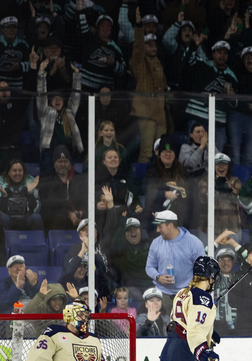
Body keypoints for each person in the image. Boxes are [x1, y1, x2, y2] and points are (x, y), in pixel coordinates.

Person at [145, 210, 206, 312]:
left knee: (184, 327)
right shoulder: (156, 243)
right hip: (162, 294)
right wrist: (158, 277)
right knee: (161, 326)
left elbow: (203, 270)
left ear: (170, 225)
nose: (157, 230)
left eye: (160, 226)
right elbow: (149, 267)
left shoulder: (194, 243)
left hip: (186, 295)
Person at [184, 40, 239, 152]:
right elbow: (187, 60)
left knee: (217, 156)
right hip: (197, 117)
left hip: (217, 122)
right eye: (219, 52)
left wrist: (231, 97)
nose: (221, 56)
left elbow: (234, 104)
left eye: (224, 53)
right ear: (213, 54)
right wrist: (195, 45)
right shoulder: (202, 65)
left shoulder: (231, 76)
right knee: (193, 152)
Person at [130, 16, 169, 164]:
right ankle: (141, 184)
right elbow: (138, 47)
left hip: (160, 112)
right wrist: (139, 26)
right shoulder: (139, 62)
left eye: (155, 45)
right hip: (146, 111)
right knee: (146, 151)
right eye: (149, 45)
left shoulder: (157, 60)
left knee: (163, 151)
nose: (154, 47)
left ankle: (161, 180)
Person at [35, 57, 83, 174]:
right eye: (54, 99)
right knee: (47, 181)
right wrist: (41, 72)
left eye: (60, 99)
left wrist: (77, 74)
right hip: (49, 153)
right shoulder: (45, 113)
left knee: (69, 180)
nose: (57, 100)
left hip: (68, 152)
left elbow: (76, 96)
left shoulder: (69, 112)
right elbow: (41, 95)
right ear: (50, 101)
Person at [75, 4, 126, 92]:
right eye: (103, 25)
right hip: (83, 88)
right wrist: (80, 6)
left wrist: (113, 63)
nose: (106, 28)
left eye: (108, 26)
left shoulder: (116, 48)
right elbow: (81, 19)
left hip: (103, 94)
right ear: (97, 27)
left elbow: (122, 71)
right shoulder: (89, 38)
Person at [228, 46, 252, 166]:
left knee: (249, 155)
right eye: (246, 57)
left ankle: (248, 184)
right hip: (236, 116)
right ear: (242, 60)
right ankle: (233, 183)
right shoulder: (235, 75)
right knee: (235, 155)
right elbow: (231, 98)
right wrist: (246, 105)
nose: (249, 59)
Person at [143, 139, 191, 228]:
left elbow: (190, 191)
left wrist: (182, 191)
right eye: (165, 151)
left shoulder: (182, 170)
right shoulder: (152, 171)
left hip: (180, 217)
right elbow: (149, 192)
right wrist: (164, 193)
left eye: (170, 151)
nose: (168, 154)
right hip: (158, 217)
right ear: (159, 154)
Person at [39, 145, 88, 231]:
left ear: (70, 163)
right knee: (57, 218)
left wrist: (80, 212)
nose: (63, 164)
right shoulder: (47, 179)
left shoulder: (79, 179)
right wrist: (68, 214)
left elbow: (85, 200)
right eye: (60, 161)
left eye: (65, 161)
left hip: (78, 215)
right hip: (56, 218)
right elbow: (48, 205)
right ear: (54, 163)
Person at [197, 153, 241, 239]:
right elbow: (203, 199)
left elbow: (237, 199)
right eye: (217, 164)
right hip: (208, 230)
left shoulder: (235, 181)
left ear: (228, 166)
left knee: (230, 253)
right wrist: (216, 185)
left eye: (224, 164)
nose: (221, 167)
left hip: (231, 230)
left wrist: (227, 187)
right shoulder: (206, 181)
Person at [110, 216, 153, 298]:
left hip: (149, 284)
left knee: (153, 297)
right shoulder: (123, 248)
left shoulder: (150, 245)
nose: (132, 232)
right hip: (132, 286)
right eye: (129, 230)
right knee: (135, 297)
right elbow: (114, 246)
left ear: (140, 231)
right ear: (125, 234)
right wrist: (122, 223)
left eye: (135, 228)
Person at [0, 159, 43, 230]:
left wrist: (29, 193)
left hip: (26, 220)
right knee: (2, 218)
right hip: (9, 220)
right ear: (9, 172)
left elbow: (35, 209)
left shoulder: (31, 183)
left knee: (36, 218)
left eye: (20, 170)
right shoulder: (1, 184)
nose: (18, 173)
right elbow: (0, 210)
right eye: (14, 170)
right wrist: (4, 196)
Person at [0, 16, 31, 90]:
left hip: (16, 86)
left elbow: (32, 64)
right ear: (2, 29)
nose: (11, 30)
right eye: (8, 27)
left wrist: (20, 66)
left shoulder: (23, 44)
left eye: (14, 27)